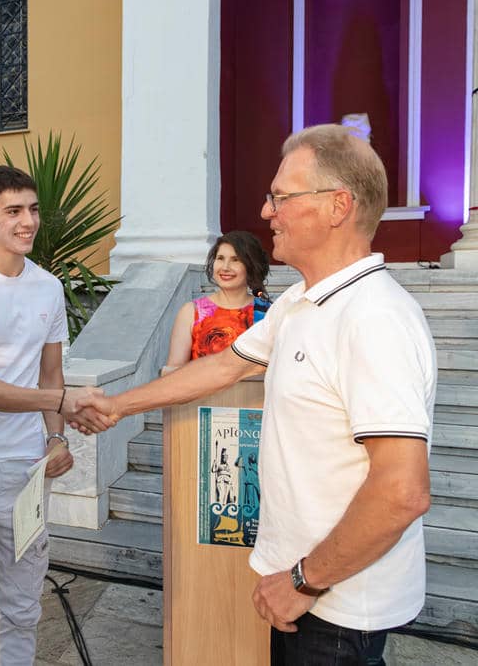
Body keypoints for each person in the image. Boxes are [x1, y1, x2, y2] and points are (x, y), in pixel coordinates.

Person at [73, 124, 435, 665]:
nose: (267, 213)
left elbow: (403, 489)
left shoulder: (375, 317)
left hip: (336, 605)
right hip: (303, 587)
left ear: (338, 205)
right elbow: (221, 368)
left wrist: (304, 582)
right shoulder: (298, 303)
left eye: (281, 197)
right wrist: (118, 404)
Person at [0, 165, 100, 665]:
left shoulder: (49, 287)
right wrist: (57, 405)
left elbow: (51, 373)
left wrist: (56, 440)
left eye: (32, 210)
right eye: (13, 211)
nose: (27, 221)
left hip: (28, 469)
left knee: (23, 605)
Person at [166, 230, 271, 369]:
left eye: (236, 260)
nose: (225, 267)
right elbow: (174, 373)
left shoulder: (268, 312)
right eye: (220, 258)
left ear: (251, 266)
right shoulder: (191, 312)